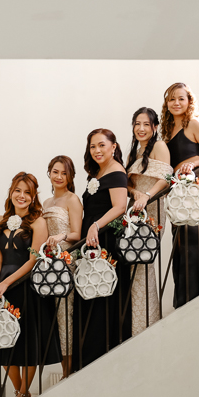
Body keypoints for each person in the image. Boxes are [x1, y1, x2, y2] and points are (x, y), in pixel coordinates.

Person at [0, 172, 62, 397]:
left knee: (28, 343)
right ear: (11, 193)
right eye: (18, 191)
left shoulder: (38, 222)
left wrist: (6, 283)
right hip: (2, 290)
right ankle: (20, 391)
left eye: (27, 193)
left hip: (28, 288)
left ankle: (22, 395)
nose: (22, 196)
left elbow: (33, 260)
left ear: (33, 197)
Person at [72, 129, 132, 372]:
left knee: (103, 298)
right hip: (91, 242)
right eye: (92, 146)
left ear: (113, 147)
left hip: (106, 241)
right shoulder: (95, 173)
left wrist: (95, 225)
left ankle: (104, 363)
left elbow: (120, 206)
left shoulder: (117, 171)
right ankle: (86, 364)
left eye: (101, 145)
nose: (96, 150)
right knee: (89, 296)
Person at [161, 83, 199, 308]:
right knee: (180, 244)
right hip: (178, 191)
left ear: (189, 101)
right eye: (172, 99)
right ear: (167, 103)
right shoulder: (166, 130)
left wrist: (192, 164)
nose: (176, 103)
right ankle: (184, 303)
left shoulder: (193, 124)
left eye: (181, 98)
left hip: (197, 185)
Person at [126, 107, 172, 335]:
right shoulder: (135, 152)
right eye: (137, 124)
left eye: (146, 124)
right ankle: (132, 325)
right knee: (132, 265)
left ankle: (146, 325)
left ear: (154, 127)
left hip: (152, 207)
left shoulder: (159, 146)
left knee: (144, 262)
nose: (141, 128)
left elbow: (166, 178)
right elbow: (127, 183)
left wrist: (146, 195)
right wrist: (135, 192)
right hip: (134, 209)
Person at [42, 156, 82, 378]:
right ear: (49, 172)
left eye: (64, 173)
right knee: (54, 319)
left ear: (70, 176)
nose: (58, 176)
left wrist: (61, 236)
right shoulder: (46, 203)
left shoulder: (72, 199)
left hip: (66, 263)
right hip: (49, 265)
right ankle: (63, 369)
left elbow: (77, 234)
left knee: (66, 316)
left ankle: (69, 372)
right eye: (55, 172)